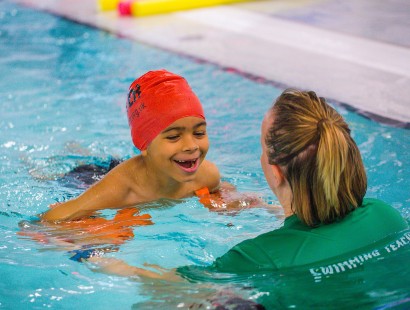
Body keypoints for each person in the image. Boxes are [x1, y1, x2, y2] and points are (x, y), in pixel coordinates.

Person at [87, 88, 408, 278]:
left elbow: (171, 287)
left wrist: (98, 259)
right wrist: (270, 209)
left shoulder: (257, 258)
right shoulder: (388, 216)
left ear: (276, 171)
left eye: (261, 146)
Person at [40, 69, 221, 222]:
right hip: (86, 181)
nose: (191, 146)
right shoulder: (119, 191)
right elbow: (47, 221)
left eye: (199, 133)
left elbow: (221, 193)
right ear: (144, 144)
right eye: (174, 137)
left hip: (146, 167)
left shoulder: (208, 177)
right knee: (52, 177)